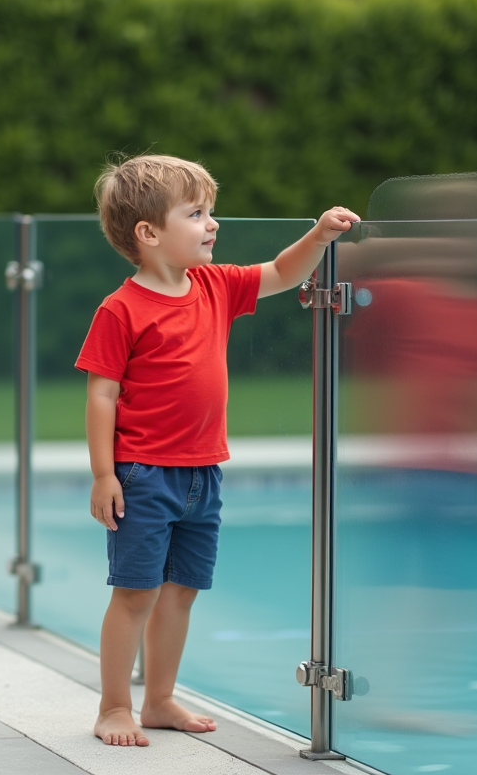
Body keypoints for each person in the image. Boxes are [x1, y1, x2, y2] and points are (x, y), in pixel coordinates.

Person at [75, 154, 359, 747]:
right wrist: (105, 475)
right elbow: (102, 394)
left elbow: (282, 273)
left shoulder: (214, 285)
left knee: (181, 591)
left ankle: (157, 700)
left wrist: (321, 233)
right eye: (198, 213)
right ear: (149, 234)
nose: (213, 224)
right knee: (134, 594)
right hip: (144, 475)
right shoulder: (121, 309)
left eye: (211, 211)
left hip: (204, 473)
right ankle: (112, 707)